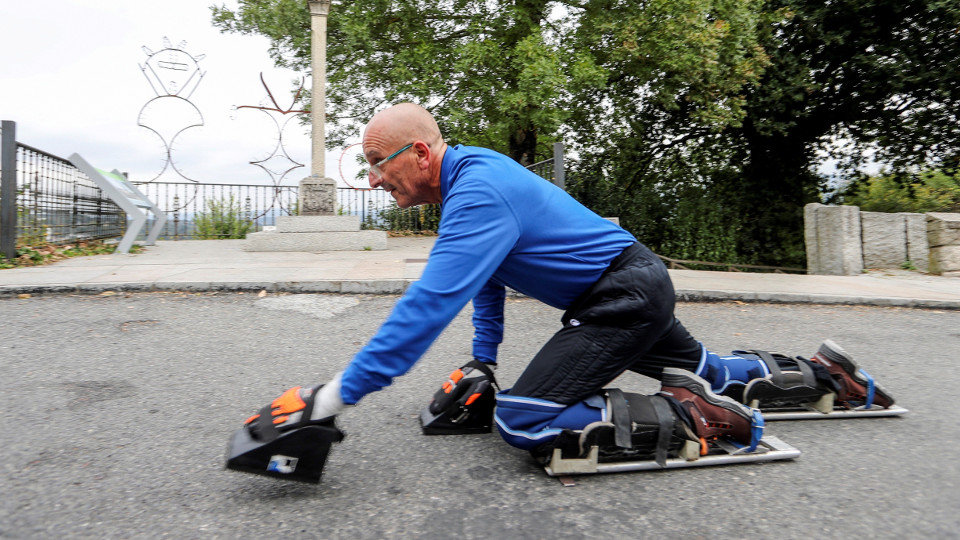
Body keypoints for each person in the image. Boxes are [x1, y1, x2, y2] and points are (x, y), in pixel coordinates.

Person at [242, 103, 894, 463]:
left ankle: (697, 413)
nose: (372, 179)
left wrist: (333, 397)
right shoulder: (470, 178)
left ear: (418, 153)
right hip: (633, 283)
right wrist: (484, 360)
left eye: (376, 163)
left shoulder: (477, 193)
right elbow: (487, 279)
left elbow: (429, 305)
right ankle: (826, 376)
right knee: (711, 367)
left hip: (620, 295)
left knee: (525, 420)